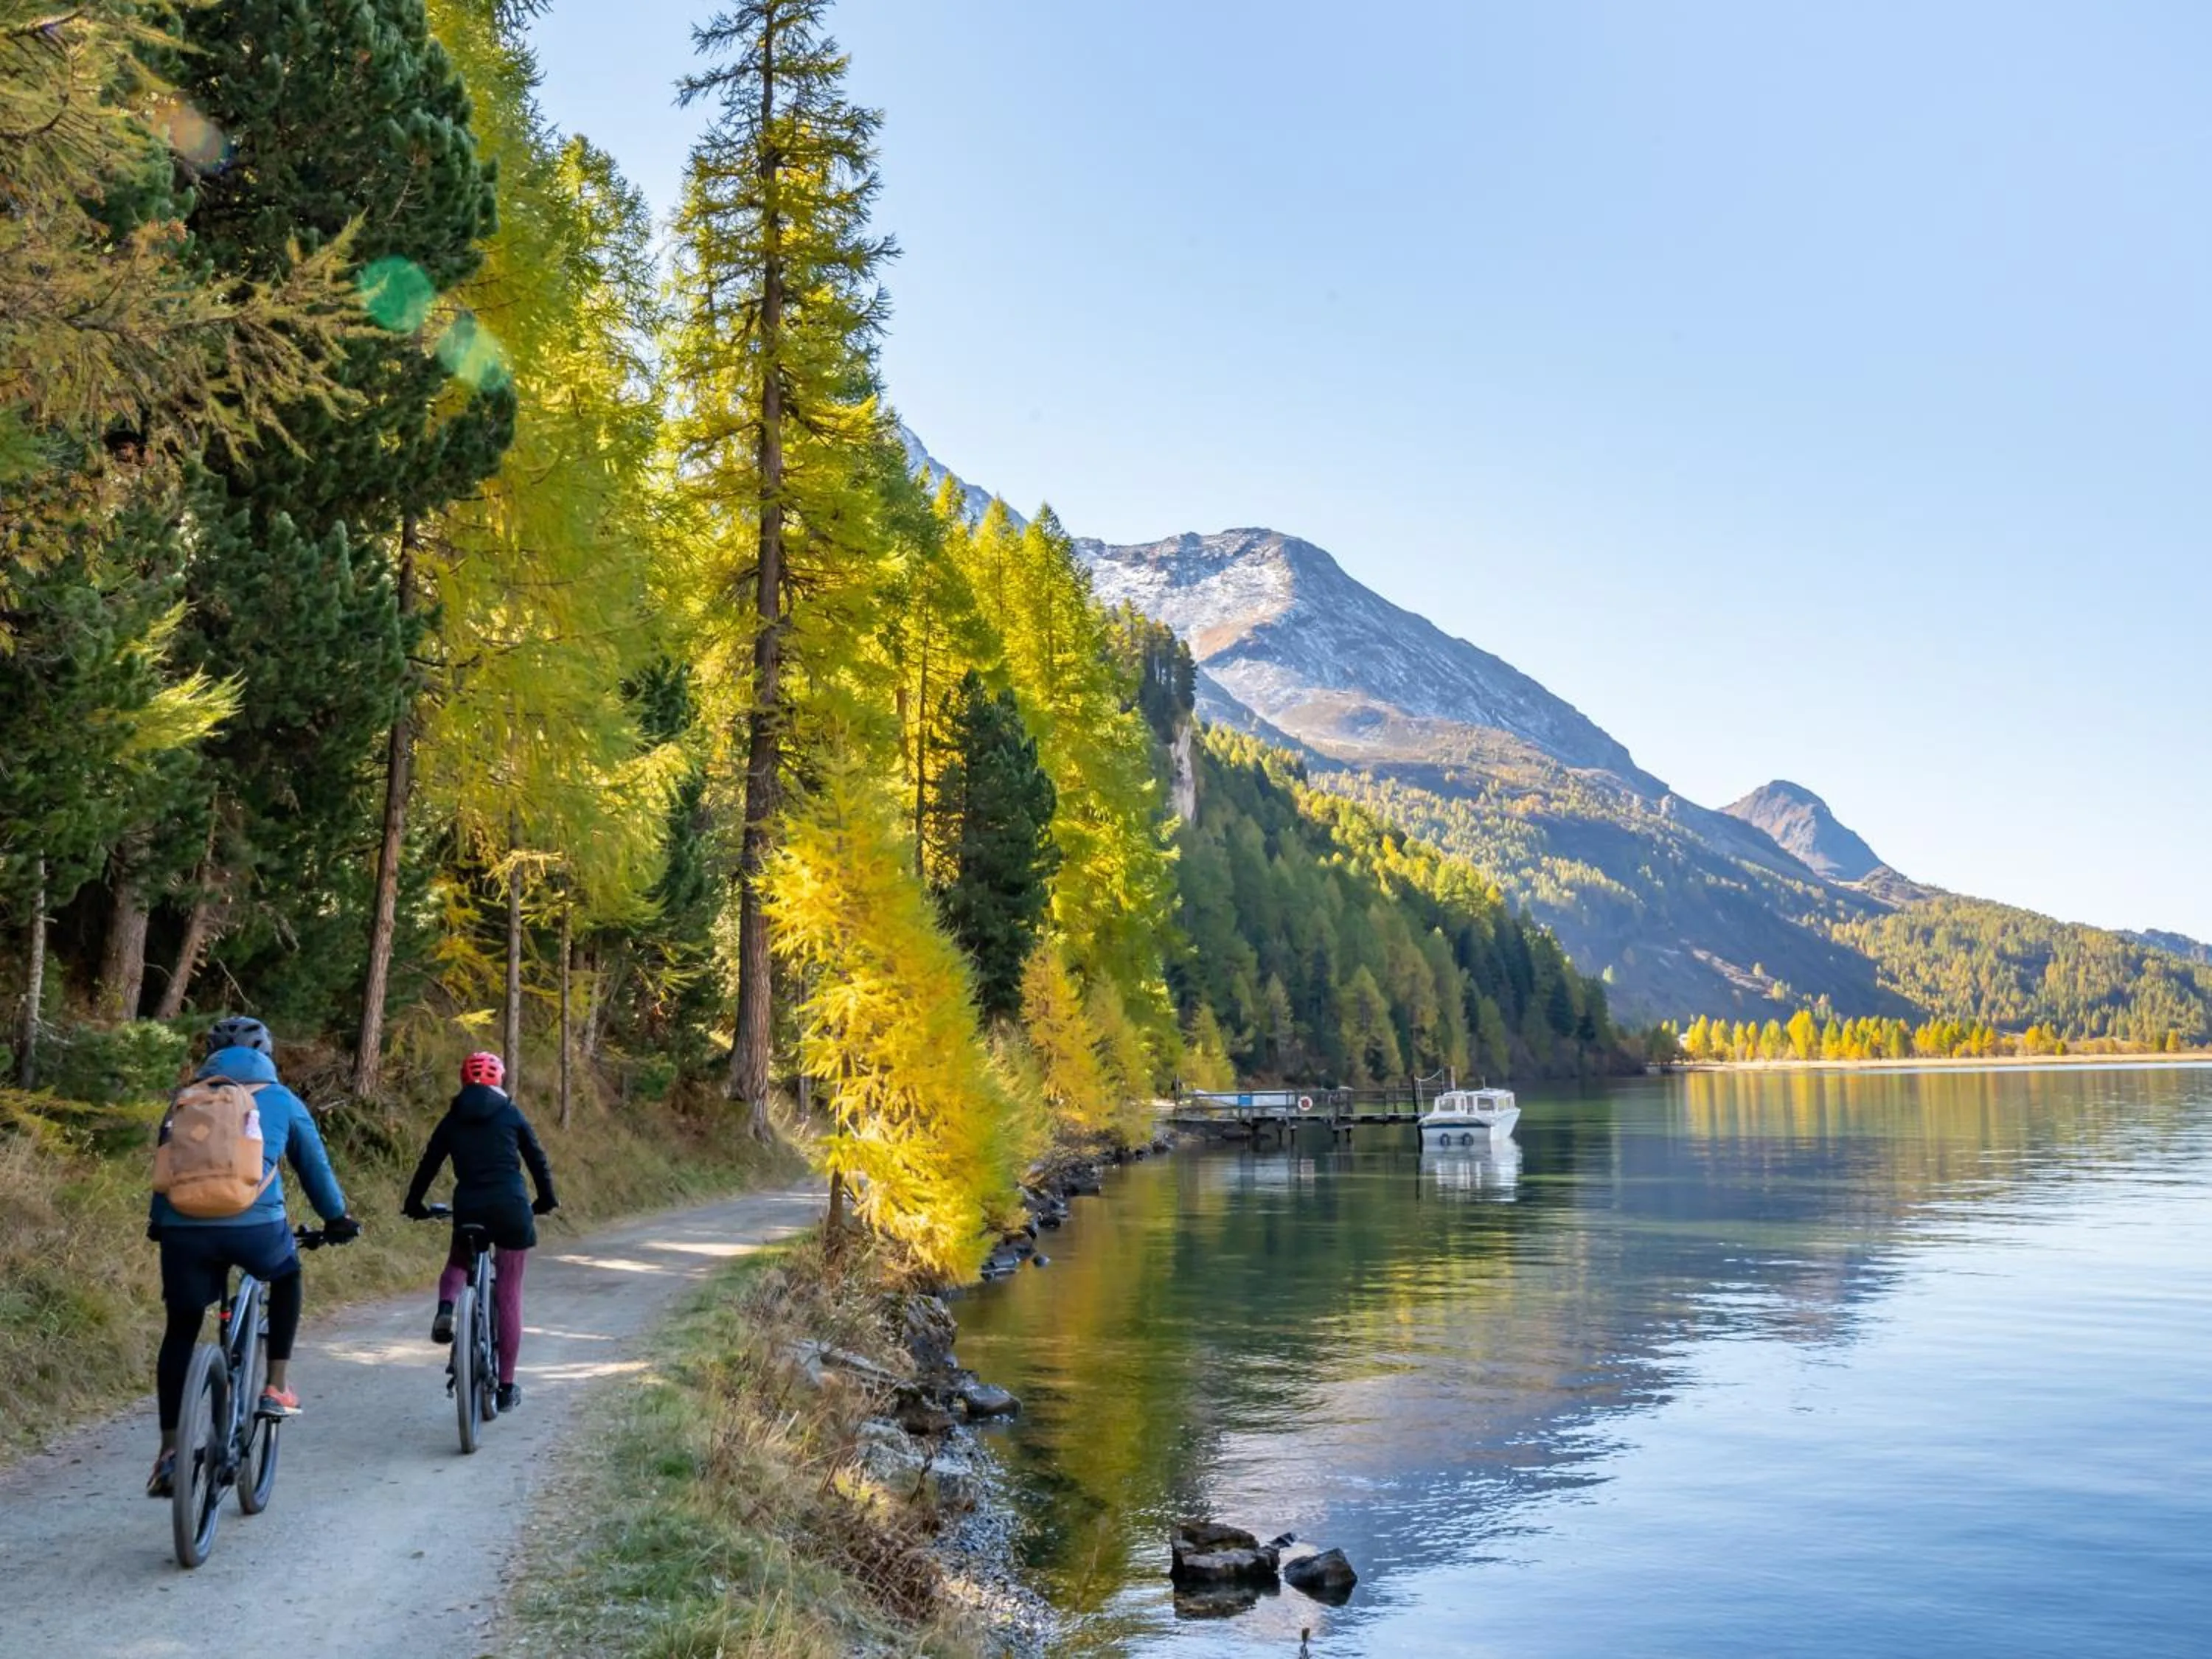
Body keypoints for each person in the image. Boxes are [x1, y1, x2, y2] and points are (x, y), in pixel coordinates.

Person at [147, 1018, 360, 1498]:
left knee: (181, 1328)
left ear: (210, 1055)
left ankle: (169, 1454)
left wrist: (162, 1224)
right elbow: (315, 1169)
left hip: (185, 1232)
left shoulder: (185, 1099)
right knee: (286, 1275)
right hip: (257, 1230)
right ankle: (276, 1386)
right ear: (268, 1054)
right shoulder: (282, 1100)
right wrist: (337, 1219)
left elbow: (167, 1169)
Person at [401, 1051, 557, 1413]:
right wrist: (546, 1199)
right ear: (500, 1080)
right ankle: (505, 1386)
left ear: (463, 1079)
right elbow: (537, 1158)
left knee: (459, 1258)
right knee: (509, 1292)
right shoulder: (511, 1114)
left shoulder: (453, 1119)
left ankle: (446, 1308)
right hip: (512, 1208)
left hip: (470, 1206)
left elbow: (429, 1162)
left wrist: (414, 1203)